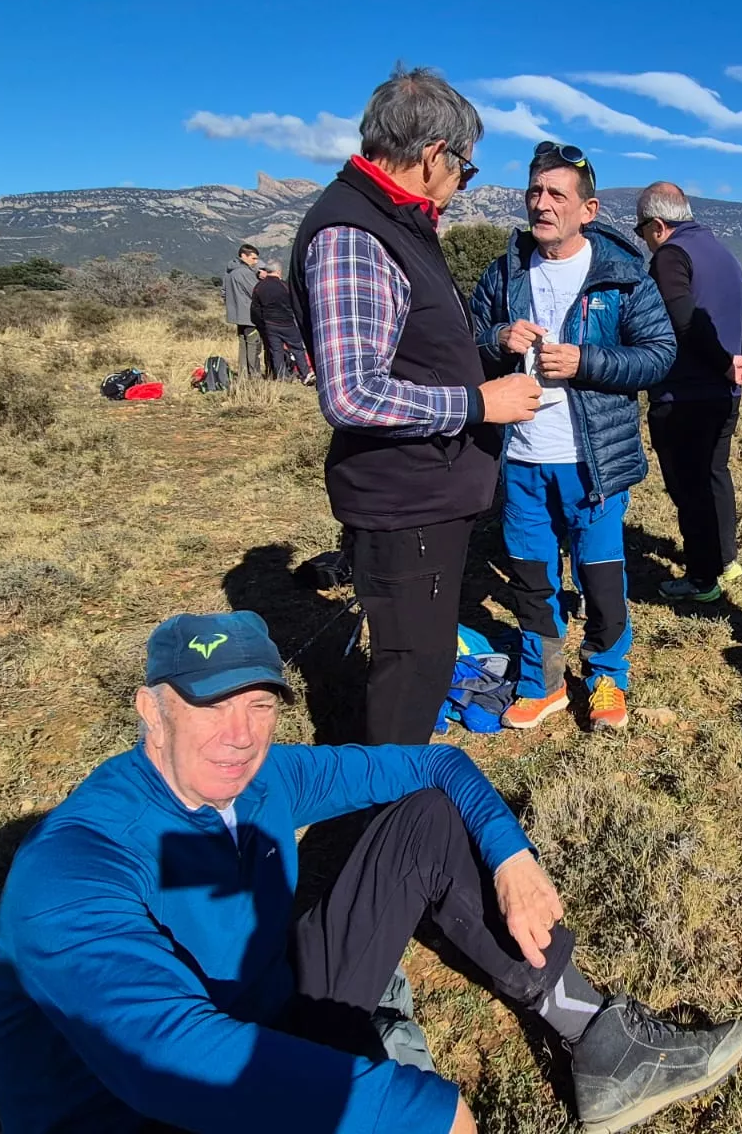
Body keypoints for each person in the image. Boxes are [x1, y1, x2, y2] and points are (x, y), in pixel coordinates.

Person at [0, 611, 742, 1134]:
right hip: (165, 1111)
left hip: (266, 1008)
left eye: (258, 704)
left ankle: (598, 1039)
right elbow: (165, 1061)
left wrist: (512, 854)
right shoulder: (71, 866)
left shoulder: (266, 778)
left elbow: (438, 763)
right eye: (208, 705)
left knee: (424, 818)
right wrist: (417, 1110)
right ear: (149, 709)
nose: (239, 734)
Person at [289, 66, 542, 747]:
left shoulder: (393, 223)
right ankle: (390, 819)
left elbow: (414, 349)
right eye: (464, 166)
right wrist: (478, 402)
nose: (464, 182)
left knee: (420, 658)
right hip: (407, 501)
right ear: (434, 154)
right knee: (412, 670)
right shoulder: (355, 234)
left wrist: (486, 351)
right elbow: (352, 393)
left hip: (423, 494)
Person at [471, 144, 675, 732]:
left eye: (557, 194)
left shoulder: (623, 275)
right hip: (523, 458)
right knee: (533, 579)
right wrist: (497, 339)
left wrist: (587, 361)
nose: (542, 204)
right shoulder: (503, 273)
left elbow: (659, 356)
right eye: (535, 192)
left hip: (593, 461)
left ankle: (609, 677)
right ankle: (544, 683)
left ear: (587, 209)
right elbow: (468, 343)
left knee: (601, 576)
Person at [635, 182, 742, 603]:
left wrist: (726, 362)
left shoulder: (672, 256)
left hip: (685, 394)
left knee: (689, 487)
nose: (646, 243)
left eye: (642, 233)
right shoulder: (723, 253)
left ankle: (702, 578)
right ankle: (726, 561)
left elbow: (682, 320)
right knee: (715, 475)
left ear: (657, 224)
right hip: (725, 394)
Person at [250, 263, 312, 383]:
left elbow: (255, 309)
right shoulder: (285, 286)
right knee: (297, 349)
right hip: (287, 323)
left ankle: (281, 377)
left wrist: (262, 324)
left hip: (269, 324)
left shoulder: (259, 287)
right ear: (279, 271)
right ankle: (305, 374)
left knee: (276, 351)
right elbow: (295, 304)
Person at [223, 243, 264, 379]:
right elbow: (256, 292)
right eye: (253, 258)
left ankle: (243, 375)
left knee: (243, 346)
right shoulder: (245, 273)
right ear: (243, 256)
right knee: (253, 346)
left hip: (236, 315)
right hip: (250, 316)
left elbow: (223, 293)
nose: (256, 262)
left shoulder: (229, 272)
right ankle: (255, 376)